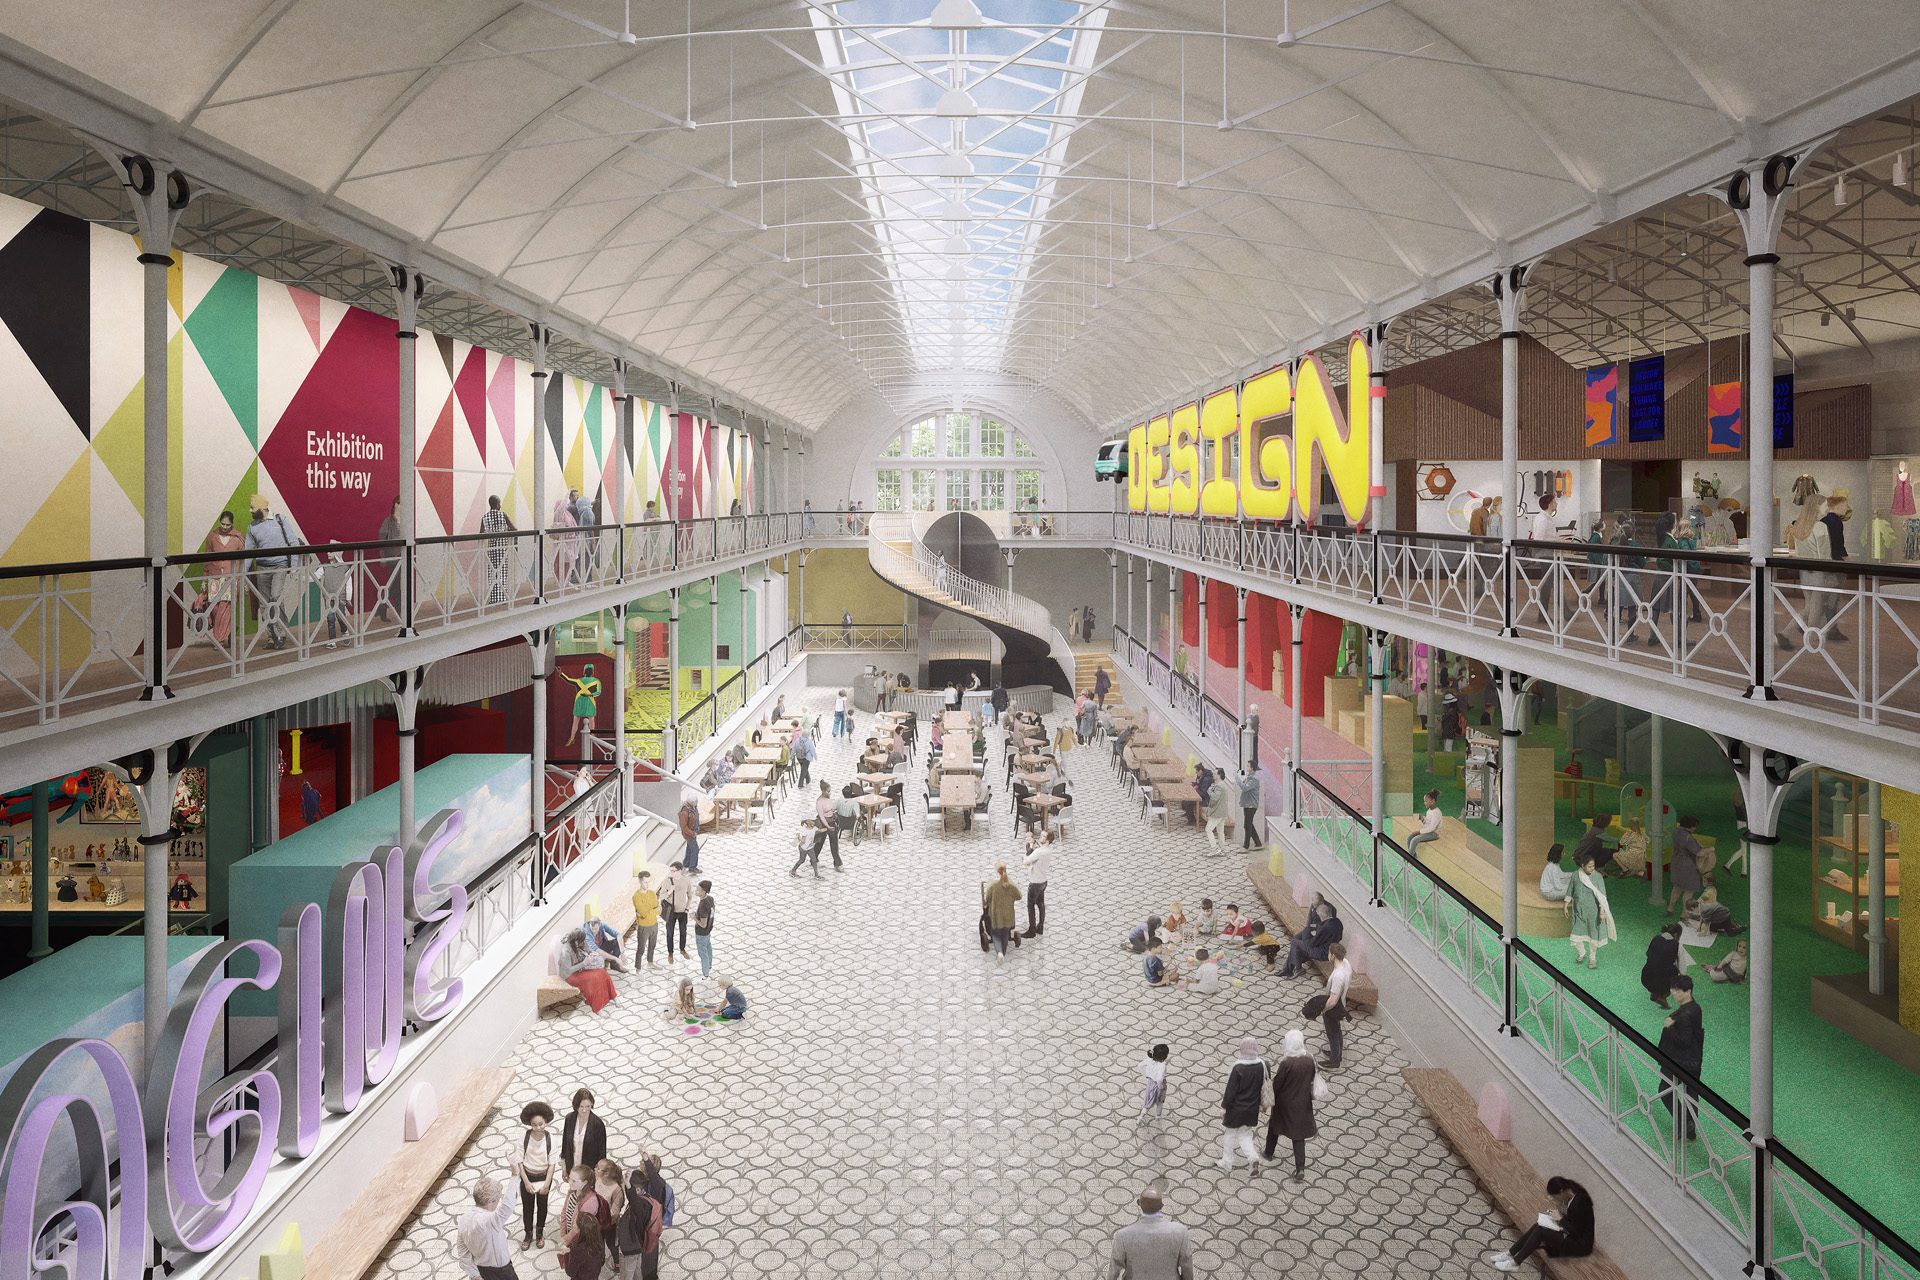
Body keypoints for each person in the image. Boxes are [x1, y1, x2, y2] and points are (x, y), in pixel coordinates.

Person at [1483, 1176, 1595, 1272]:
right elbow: (1576, 1221)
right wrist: (1559, 1216)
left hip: (1580, 1245)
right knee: (1539, 1224)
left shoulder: (1578, 1203)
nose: (1556, 1198)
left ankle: (1515, 1263)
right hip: (1574, 1236)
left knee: (1541, 1231)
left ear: (1561, 1191)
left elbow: (1577, 1232)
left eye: (1555, 1196)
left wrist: (1560, 1219)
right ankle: (1510, 1253)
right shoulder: (1575, 1196)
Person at [243, 494, 302, 650]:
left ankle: (281, 632)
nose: (250, 510)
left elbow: (293, 543)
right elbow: (247, 551)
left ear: (262, 508)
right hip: (262, 568)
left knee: (275, 597)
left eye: (252, 508)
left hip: (280, 566)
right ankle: (271, 637)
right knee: (264, 603)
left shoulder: (280, 520)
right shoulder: (252, 527)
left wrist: (293, 565)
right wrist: (242, 574)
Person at [1261, 1029, 1319, 1180]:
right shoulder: (1309, 1059)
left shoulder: (1287, 1063)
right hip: (1302, 1102)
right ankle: (1300, 1168)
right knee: (1298, 1135)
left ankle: (1268, 1152)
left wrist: (1270, 1096)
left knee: (1274, 1126)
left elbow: (1278, 1083)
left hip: (1284, 1103)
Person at [1109, 1185, 1194, 1280]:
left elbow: (1114, 1270)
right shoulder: (1180, 1232)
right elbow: (1187, 1267)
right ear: (1161, 1206)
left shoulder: (1123, 1235)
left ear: (1139, 1203)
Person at [1659, 975, 1703, 1139]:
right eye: (1673, 990)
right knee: (1690, 1093)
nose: (1673, 994)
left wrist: (1670, 1026)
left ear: (1688, 991)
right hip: (1694, 1059)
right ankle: (1690, 1128)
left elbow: (1684, 1041)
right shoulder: (1695, 1007)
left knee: (1665, 1091)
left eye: (1677, 991)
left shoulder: (1684, 1015)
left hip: (1678, 1061)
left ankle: (1685, 1123)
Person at [1217, 1036, 1268, 1171]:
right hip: (1252, 1108)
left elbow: (1230, 1091)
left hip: (1236, 1108)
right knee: (1245, 1134)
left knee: (1230, 1134)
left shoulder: (1238, 1067)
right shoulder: (1262, 1065)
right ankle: (1252, 1157)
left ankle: (1227, 1161)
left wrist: (1224, 1107)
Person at [455, 1178, 521, 1280]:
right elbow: (506, 1207)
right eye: (498, 1199)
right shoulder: (488, 1220)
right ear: (489, 1201)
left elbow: (463, 1252)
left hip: (482, 1271)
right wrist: (515, 1175)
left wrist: (475, 1275)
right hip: (503, 1272)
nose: (499, 1202)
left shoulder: (463, 1220)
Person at [195, 510, 245, 646]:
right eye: (222, 524)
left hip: (232, 578)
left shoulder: (238, 538)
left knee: (225, 609)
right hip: (214, 578)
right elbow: (207, 561)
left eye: (227, 525)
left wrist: (244, 582)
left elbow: (243, 562)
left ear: (232, 524)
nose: (224, 527)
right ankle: (226, 630)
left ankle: (219, 641)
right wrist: (204, 581)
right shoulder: (212, 536)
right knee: (216, 609)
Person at [513, 1102, 555, 1249]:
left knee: (542, 1207)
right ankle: (528, 1234)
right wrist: (525, 1182)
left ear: (545, 1122)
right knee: (527, 1207)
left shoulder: (550, 1139)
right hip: (527, 1177)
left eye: (541, 1124)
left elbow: (552, 1164)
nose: (538, 1127)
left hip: (543, 1178)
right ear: (530, 1124)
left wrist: (546, 1185)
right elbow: (519, 1161)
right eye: (534, 1125)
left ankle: (540, 1233)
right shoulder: (524, 1137)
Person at [558, 928, 624, 1013]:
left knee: (602, 972)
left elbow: (589, 949)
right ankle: (598, 1008)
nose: (583, 943)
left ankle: (614, 996)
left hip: (581, 968)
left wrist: (593, 954)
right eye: (581, 941)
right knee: (593, 979)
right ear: (575, 941)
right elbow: (569, 970)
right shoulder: (565, 951)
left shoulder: (580, 942)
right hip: (570, 975)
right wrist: (584, 963)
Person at [1568, 853, 1615, 970]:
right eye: (1589, 866)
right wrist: (1565, 904)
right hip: (1579, 911)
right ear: (1583, 866)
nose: (1592, 868)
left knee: (1593, 936)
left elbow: (1602, 896)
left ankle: (1592, 957)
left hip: (1594, 913)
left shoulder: (1598, 877)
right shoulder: (1576, 875)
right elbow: (1570, 890)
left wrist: (1602, 912)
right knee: (1575, 935)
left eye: (1593, 866)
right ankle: (1582, 952)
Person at [1281, 899, 1342, 978]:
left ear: (1322, 916)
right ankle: (1287, 970)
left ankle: (1298, 969)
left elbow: (1312, 943)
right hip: (1328, 949)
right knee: (1296, 948)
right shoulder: (1337, 922)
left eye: (1319, 915)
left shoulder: (1324, 929)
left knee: (1295, 943)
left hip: (1323, 953)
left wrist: (1306, 939)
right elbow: (1339, 937)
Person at [558, 1090, 606, 1180]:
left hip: (589, 1172)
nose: (584, 1110)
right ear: (576, 1106)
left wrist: (598, 1175)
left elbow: (602, 1154)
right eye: (581, 1107)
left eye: (588, 1106)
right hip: (572, 1169)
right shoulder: (569, 1119)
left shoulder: (597, 1124)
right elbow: (565, 1146)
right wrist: (564, 1168)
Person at [1666, 814, 1706, 916]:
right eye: (1694, 826)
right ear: (1690, 826)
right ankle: (1684, 914)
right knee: (1689, 890)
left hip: (1676, 861)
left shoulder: (1675, 831)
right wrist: (1710, 849)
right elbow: (1699, 853)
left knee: (1677, 887)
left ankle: (1670, 909)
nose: (1695, 828)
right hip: (1687, 864)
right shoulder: (1689, 837)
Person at [983, 863, 1022, 966]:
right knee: (1005, 933)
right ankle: (1003, 952)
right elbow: (1019, 896)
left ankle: (999, 953)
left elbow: (986, 899)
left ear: (996, 871)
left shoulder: (992, 886)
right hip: (1008, 915)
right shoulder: (1011, 885)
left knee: (995, 934)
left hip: (996, 915)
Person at [1321, 942, 1352, 1069]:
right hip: (1341, 1003)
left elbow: (1333, 1000)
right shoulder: (1346, 964)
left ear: (1333, 955)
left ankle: (1334, 1061)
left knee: (1332, 1033)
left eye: (1329, 952)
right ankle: (1336, 1054)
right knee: (1337, 1030)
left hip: (1334, 1006)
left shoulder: (1339, 976)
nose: (1328, 954)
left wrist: (1323, 1009)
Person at [1641, 922, 1683, 1008]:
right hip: (1664, 981)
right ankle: (1662, 996)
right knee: (1671, 972)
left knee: (1656, 968)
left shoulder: (1655, 938)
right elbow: (1682, 968)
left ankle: (1653, 994)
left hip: (1646, 977)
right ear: (1676, 935)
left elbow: (1647, 954)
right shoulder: (1677, 945)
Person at [1021, 828, 1051, 937]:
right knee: (1041, 905)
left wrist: (1028, 851)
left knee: (1030, 905)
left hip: (1035, 882)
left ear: (1047, 839)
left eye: (1043, 836)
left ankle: (1032, 930)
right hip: (1043, 881)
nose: (1040, 837)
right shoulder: (1048, 850)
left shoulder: (1039, 851)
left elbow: (1026, 861)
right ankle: (1040, 927)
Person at [660, 863, 693, 963]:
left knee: (683, 932)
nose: (671, 872)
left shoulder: (686, 881)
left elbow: (690, 895)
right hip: (671, 913)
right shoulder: (667, 881)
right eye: (671, 870)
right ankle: (670, 953)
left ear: (680, 870)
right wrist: (670, 891)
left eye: (673, 870)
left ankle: (682, 950)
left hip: (683, 912)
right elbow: (661, 896)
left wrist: (687, 908)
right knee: (670, 934)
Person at [628, 871, 660, 967]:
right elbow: (645, 914)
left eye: (649, 882)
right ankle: (638, 969)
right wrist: (651, 911)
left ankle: (650, 963)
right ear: (640, 881)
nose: (648, 885)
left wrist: (649, 912)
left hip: (654, 924)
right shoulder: (636, 897)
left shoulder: (652, 893)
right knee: (641, 949)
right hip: (644, 927)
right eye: (645, 882)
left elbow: (659, 911)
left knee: (652, 945)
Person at [560, 1213, 604, 1280]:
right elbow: (602, 1261)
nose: (573, 1221)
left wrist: (566, 1255)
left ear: (580, 1229)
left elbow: (571, 1272)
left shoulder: (577, 1249)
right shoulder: (600, 1242)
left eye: (575, 1221)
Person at [1202, 771, 1235, 855]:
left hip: (1217, 812)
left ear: (1219, 775)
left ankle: (1215, 848)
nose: (1213, 775)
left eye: (1215, 774)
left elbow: (1215, 797)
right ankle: (1221, 849)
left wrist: (1209, 791)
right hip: (1222, 812)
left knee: (1208, 829)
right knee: (1220, 831)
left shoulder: (1220, 786)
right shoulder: (1222, 785)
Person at [1408, 790, 1442, 861]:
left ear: (1432, 801)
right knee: (1409, 838)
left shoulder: (1436, 813)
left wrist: (1419, 832)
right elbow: (1427, 826)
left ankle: (1410, 859)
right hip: (1428, 832)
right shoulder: (1429, 811)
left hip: (1433, 834)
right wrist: (1422, 819)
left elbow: (1432, 828)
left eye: (1426, 801)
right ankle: (1414, 857)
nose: (1424, 803)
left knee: (1414, 840)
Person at [1138, 1045, 1170, 1121]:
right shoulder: (1162, 1065)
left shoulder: (1149, 1060)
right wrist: (1161, 1086)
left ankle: (1141, 1117)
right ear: (1163, 1056)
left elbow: (1140, 1065)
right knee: (1160, 1102)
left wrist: (1145, 1075)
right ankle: (1158, 1116)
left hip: (1150, 1083)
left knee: (1149, 1100)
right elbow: (1159, 1079)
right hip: (1158, 1085)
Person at [691, 880, 715, 977]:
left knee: (703, 953)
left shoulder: (703, 905)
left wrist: (694, 917)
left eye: (698, 889)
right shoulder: (710, 899)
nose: (696, 891)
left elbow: (703, 924)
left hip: (701, 933)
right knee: (708, 948)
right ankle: (709, 966)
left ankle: (705, 973)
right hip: (708, 930)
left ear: (704, 891)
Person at [1237, 767, 1263, 849]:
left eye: (1248, 766)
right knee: (1249, 824)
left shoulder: (1254, 779)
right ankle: (1258, 843)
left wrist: (1236, 777)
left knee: (1247, 825)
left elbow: (1245, 788)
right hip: (1247, 803)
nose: (1247, 767)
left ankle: (1246, 846)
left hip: (1251, 804)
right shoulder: (1250, 777)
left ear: (1252, 768)